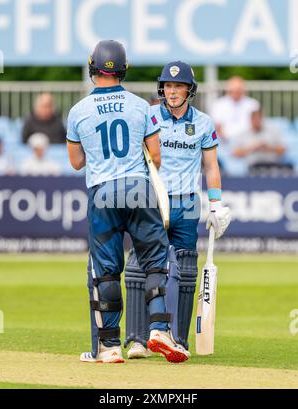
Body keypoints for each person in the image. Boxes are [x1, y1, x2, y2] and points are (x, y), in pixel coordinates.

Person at [66, 40, 190, 364]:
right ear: (123, 68)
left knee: (105, 271)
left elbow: (76, 162)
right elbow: (156, 155)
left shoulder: (78, 111)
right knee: (154, 260)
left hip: (103, 191)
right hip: (138, 187)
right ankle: (159, 329)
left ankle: (108, 347)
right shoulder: (140, 107)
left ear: (93, 67)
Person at [124, 61, 231, 359]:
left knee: (184, 271)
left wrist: (215, 204)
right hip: (152, 201)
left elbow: (211, 166)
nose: (171, 92)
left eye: (178, 86)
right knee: (139, 268)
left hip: (185, 204)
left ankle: (178, 339)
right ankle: (138, 340)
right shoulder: (147, 116)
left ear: (189, 90)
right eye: (168, 86)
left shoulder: (204, 123)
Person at [211, 76, 260, 142]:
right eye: (234, 90)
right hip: (224, 141)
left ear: (243, 90)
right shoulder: (219, 104)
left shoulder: (253, 104)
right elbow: (216, 126)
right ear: (228, 90)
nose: (236, 92)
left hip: (248, 141)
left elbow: (257, 124)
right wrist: (224, 138)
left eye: (238, 90)